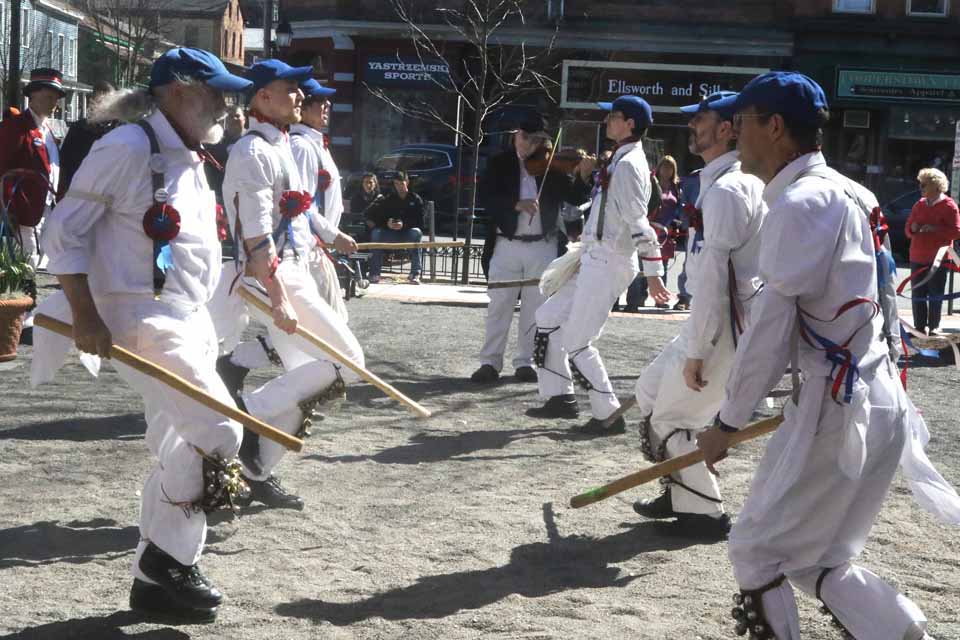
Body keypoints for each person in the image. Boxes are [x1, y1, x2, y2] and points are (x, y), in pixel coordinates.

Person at [697, 72, 960, 640]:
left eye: (741, 122)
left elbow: (771, 328)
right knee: (817, 559)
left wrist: (727, 422)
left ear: (774, 127)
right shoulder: (850, 191)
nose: (734, 133)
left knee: (756, 550)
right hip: (872, 396)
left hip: (837, 407)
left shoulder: (800, 202)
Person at [34, 48, 252, 622]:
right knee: (220, 428)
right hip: (139, 314)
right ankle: (166, 556)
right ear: (179, 92)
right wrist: (85, 315)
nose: (225, 105)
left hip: (189, 316)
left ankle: (153, 586)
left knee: (179, 442)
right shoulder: (127, 147)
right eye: (215, 92)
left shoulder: (191, 154)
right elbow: (63, 233)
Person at [213, 59, 365, 511]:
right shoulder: (253, 152)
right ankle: (247, 414)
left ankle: (257, 471)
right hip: (274, 277)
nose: (300, 96)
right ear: (263, 96)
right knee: (348, 363)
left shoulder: (280, 144)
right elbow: (256, 235)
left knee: (308, 383)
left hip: (296, 270)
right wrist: (280, 298)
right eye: (290, 89)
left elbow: (303, 210)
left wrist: (333, 236)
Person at [630, 91, 765, 541]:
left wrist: (698, 351)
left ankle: (704, 513)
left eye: (701, 118)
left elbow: (715, 281)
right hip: (718, 319)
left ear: (726, 129)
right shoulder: (727, 182)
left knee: (671, 418)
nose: (692, 125)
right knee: (650, 391)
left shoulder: (728, 190)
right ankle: (681, 490)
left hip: (724, 325)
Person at [526, 95, 670, 435]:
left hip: (609, 260)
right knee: (547, 318)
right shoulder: (620, 160)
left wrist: (654, 274)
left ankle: (608, 414)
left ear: (630, 123)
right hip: (595, 257)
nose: (607, 121)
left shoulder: (629, 165)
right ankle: (560, 398)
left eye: (614, 116)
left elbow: (638, 221)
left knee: (578, 341)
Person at [471, 112, 593, 384]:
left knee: (535, 308)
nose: (528, 144)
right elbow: (486, 197)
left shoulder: (551, 166)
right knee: (499, 305)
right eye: (525, 137)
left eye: (535, 140)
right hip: (506, 243)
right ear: (517, 135)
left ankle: (525, 362)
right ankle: (489, 362)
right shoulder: (499, 162)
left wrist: (584, 175)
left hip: (542, 245)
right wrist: (517, 204)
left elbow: (575, 196)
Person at [289, 78, 357, 321]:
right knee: (326, 324)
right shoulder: (301, 147)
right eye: (319, 101)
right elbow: (302, 206)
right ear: (303, 107)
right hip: (308, 249)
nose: (327, 105)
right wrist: (333, 235)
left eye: (327, 101)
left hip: (318, 247)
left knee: (326, 323)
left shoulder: (315, 144)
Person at [0, 67, 64, 270]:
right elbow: (3, 167)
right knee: (28, 263)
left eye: (56, 99)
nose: (54, 104)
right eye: (49, 97)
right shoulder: (15, 127)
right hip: (23, 209)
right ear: (33, 96)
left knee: (43, 260)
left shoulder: (48, 129)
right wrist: (8, 207)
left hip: (48, 207)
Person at [904, 168, 960, 336]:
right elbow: (908, 229)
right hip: (917, 255)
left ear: (936, 186)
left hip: (938, 258)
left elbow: (956, 232)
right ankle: (919, 327)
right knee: (917, 293)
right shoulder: (919, 204)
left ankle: (934, 326)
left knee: (936, 293)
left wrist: (935, 229)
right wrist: (912, 228)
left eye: (924, 185)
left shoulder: (949, 206)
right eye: (920, 184)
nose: (920, 188)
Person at [625, 155, 678, 311]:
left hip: (665, 232)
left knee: (662, 266)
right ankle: (635, 300)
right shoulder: (650, 182)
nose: (667, 170)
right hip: (647, 228)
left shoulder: (676, 187)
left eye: (670, 168)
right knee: (641, 265)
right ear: (659, 168)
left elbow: (678, 208)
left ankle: (661, 299)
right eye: (664, 167)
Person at [56, 80, 118, 201]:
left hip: (110, 197)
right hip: (78, 195)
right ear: (92, 102)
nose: (104, 106)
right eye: (99, 101)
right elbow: (64, 163)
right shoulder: (78, 129)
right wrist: (61, 194)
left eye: (109, 101)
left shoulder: (121, 131)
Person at [364, 171, 425, 284]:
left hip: (408, 233)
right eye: (396, 184)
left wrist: (404, 224)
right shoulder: (389, 199)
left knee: (416, 233)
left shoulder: (415, 199)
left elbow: (420, 222)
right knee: (376, 233)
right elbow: (379, 217)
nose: (399, 187)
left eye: (401, 183)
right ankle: (374, 274)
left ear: (407, 182)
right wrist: (388, 223)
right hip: (391, 233)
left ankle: (415, 274)